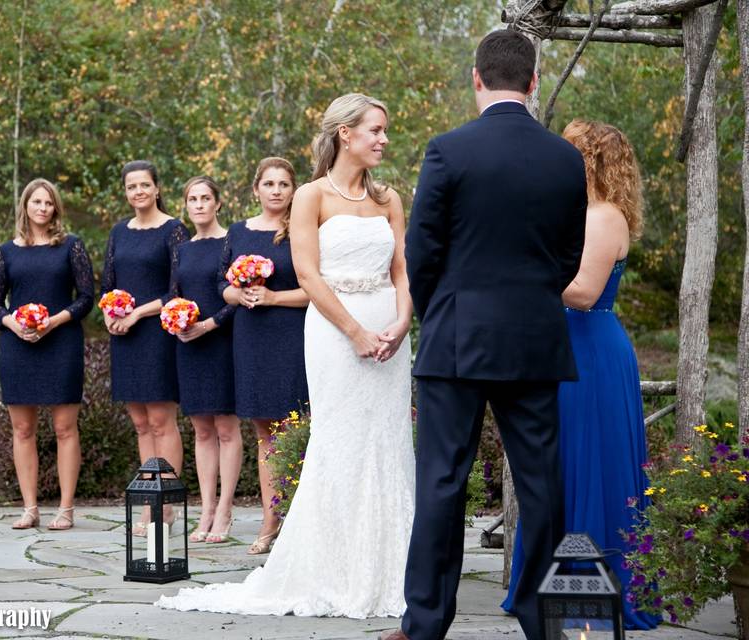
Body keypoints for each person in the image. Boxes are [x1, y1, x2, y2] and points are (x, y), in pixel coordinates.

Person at [157, 94, 414, 618]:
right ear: (346, 134)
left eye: (385, 131)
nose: (384, 139)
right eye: (376, 130)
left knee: (387, 440)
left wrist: (401, 321)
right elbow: (310, 274)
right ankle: (332, 566)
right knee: (337, 439)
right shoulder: (311, 197)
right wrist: (355, 332)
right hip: (335, 334)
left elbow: (403, 271)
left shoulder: (390, 199)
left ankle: (393, 567)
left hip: (390, 332)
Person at [381, 30, 587, 640]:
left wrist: (445, 307)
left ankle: (424, 624)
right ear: (532, 82)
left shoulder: (447, 150)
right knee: (542, 484)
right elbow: (568, 257)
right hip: (534, 339)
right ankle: (540, 618)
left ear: (477, 78)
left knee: (442, 482)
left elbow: (422, 252)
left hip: (456, 338)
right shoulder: (565, 158)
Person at [501, 120, 660, 631]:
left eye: (567, 148)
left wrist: (526, 266)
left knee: (587, 459)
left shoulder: (604, 216)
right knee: (556, 462)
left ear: (587, 159)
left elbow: (584, 292)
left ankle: (590, 581)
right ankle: (546, 582)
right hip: (565, 344)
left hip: (589, 348)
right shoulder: (576, 212)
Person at [0, 178, 95, 531]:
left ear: (56, 209)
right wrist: (12, 323)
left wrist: (54, 321)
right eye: (37, 202)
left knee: (65, 428)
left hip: (61, 343)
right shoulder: (6, 251)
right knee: (22, 429)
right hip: (18, 345)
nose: (43, 208)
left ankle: (65, 509)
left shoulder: (71, 247)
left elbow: (86, 297)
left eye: (49, 203)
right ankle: (30, 508)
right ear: (25, 206)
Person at [217, 157, 310, 555]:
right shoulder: (238, 231)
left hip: (292, 335)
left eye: (284, 184)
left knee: (296, 429)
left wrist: (272, 296)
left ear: (293, 190)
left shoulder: (303, 229)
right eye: (268, 183)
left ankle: (300, 518)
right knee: (263, 433)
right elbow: (222, 284)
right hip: (251, 337)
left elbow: (315, 290)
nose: (276, 190)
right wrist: (237, 294)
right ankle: (270, 520)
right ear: (255, 189)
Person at [101, 160, 189, 534]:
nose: (138, 191)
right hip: (124, 336)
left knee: (160, 420)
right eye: (131, 186)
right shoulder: (119, 232)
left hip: (156, 332)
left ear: (156, 189)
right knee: (140, 423)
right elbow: (107, 282)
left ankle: (164, 505)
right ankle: (147, 501)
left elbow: (177, 289)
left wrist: (137, 313)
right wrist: (109, 313)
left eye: (144, 185)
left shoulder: (173, 230)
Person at [171, 176, 241, 544]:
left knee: (227, 429)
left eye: (205, 198)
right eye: (192, 199)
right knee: (200, 430)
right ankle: (206, 509)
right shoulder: (182, 248)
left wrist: (208, 325)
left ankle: (226, 510)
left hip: (223, 342)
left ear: (217, 202)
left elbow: (238, 298)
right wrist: (177, 320)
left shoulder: (231, 241)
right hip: (189, 345)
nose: (198, 205)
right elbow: (174, 293)